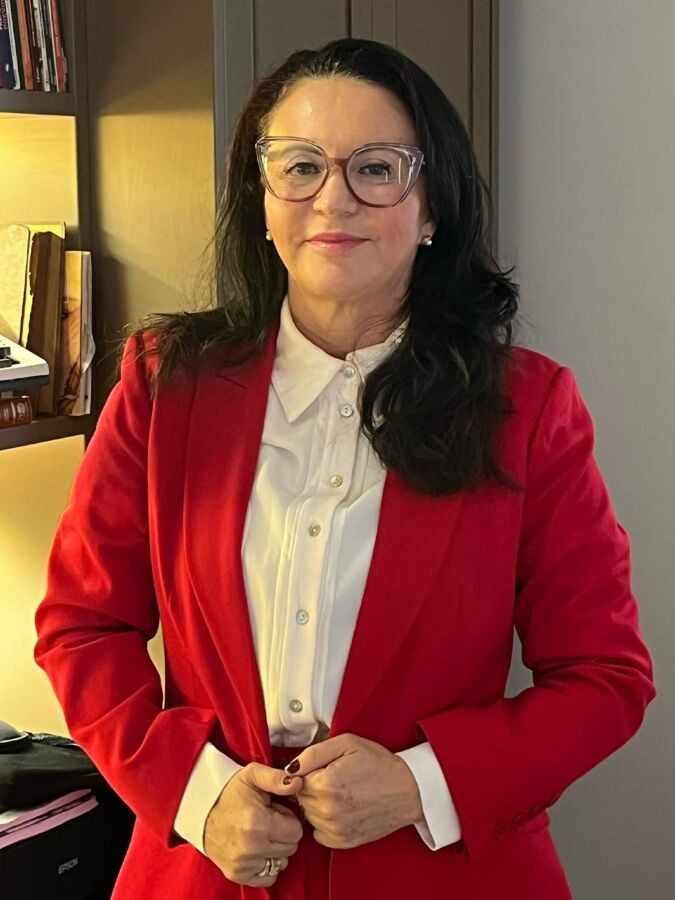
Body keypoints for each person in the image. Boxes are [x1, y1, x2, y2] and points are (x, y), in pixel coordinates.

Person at [33, 37, 657, 900]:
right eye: (299, 167)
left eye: (375, 168)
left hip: (438, 875)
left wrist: (419, 783)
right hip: (209, 866)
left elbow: (603, 678)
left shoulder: (524, 409)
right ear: (261, 200)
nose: (333, 198)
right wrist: (196, 793)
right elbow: (82, 627)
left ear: (432, 207)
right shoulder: (163, 384)